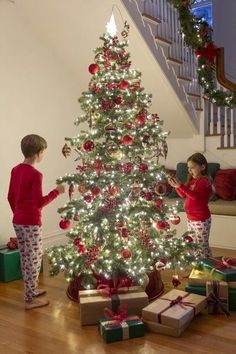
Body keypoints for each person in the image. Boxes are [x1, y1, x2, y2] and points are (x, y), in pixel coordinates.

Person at [8, 134, 65, 310]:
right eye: (44, 152)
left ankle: (31, 290)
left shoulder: (15, 170)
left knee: (27, 257)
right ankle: (30, 299)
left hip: (18, 220)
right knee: (34, 259)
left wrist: (18, 213)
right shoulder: (35, 174)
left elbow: (10, 197)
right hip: (31, 223)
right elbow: (38, 203)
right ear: (39, 153)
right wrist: (57, 191)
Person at [168, 153, 213, 258]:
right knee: (193, 244)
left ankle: (207, 264)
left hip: (201, 220)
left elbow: (196, 197)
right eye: (188, 167)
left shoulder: (204, 181)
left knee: (202, 246)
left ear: (202, 167)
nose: (190, 170)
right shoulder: (192, 180)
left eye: (193, 167)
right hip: (191, 219)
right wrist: (176, 186)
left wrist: (181, 186)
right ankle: (197, 265)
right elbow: (183, 194)